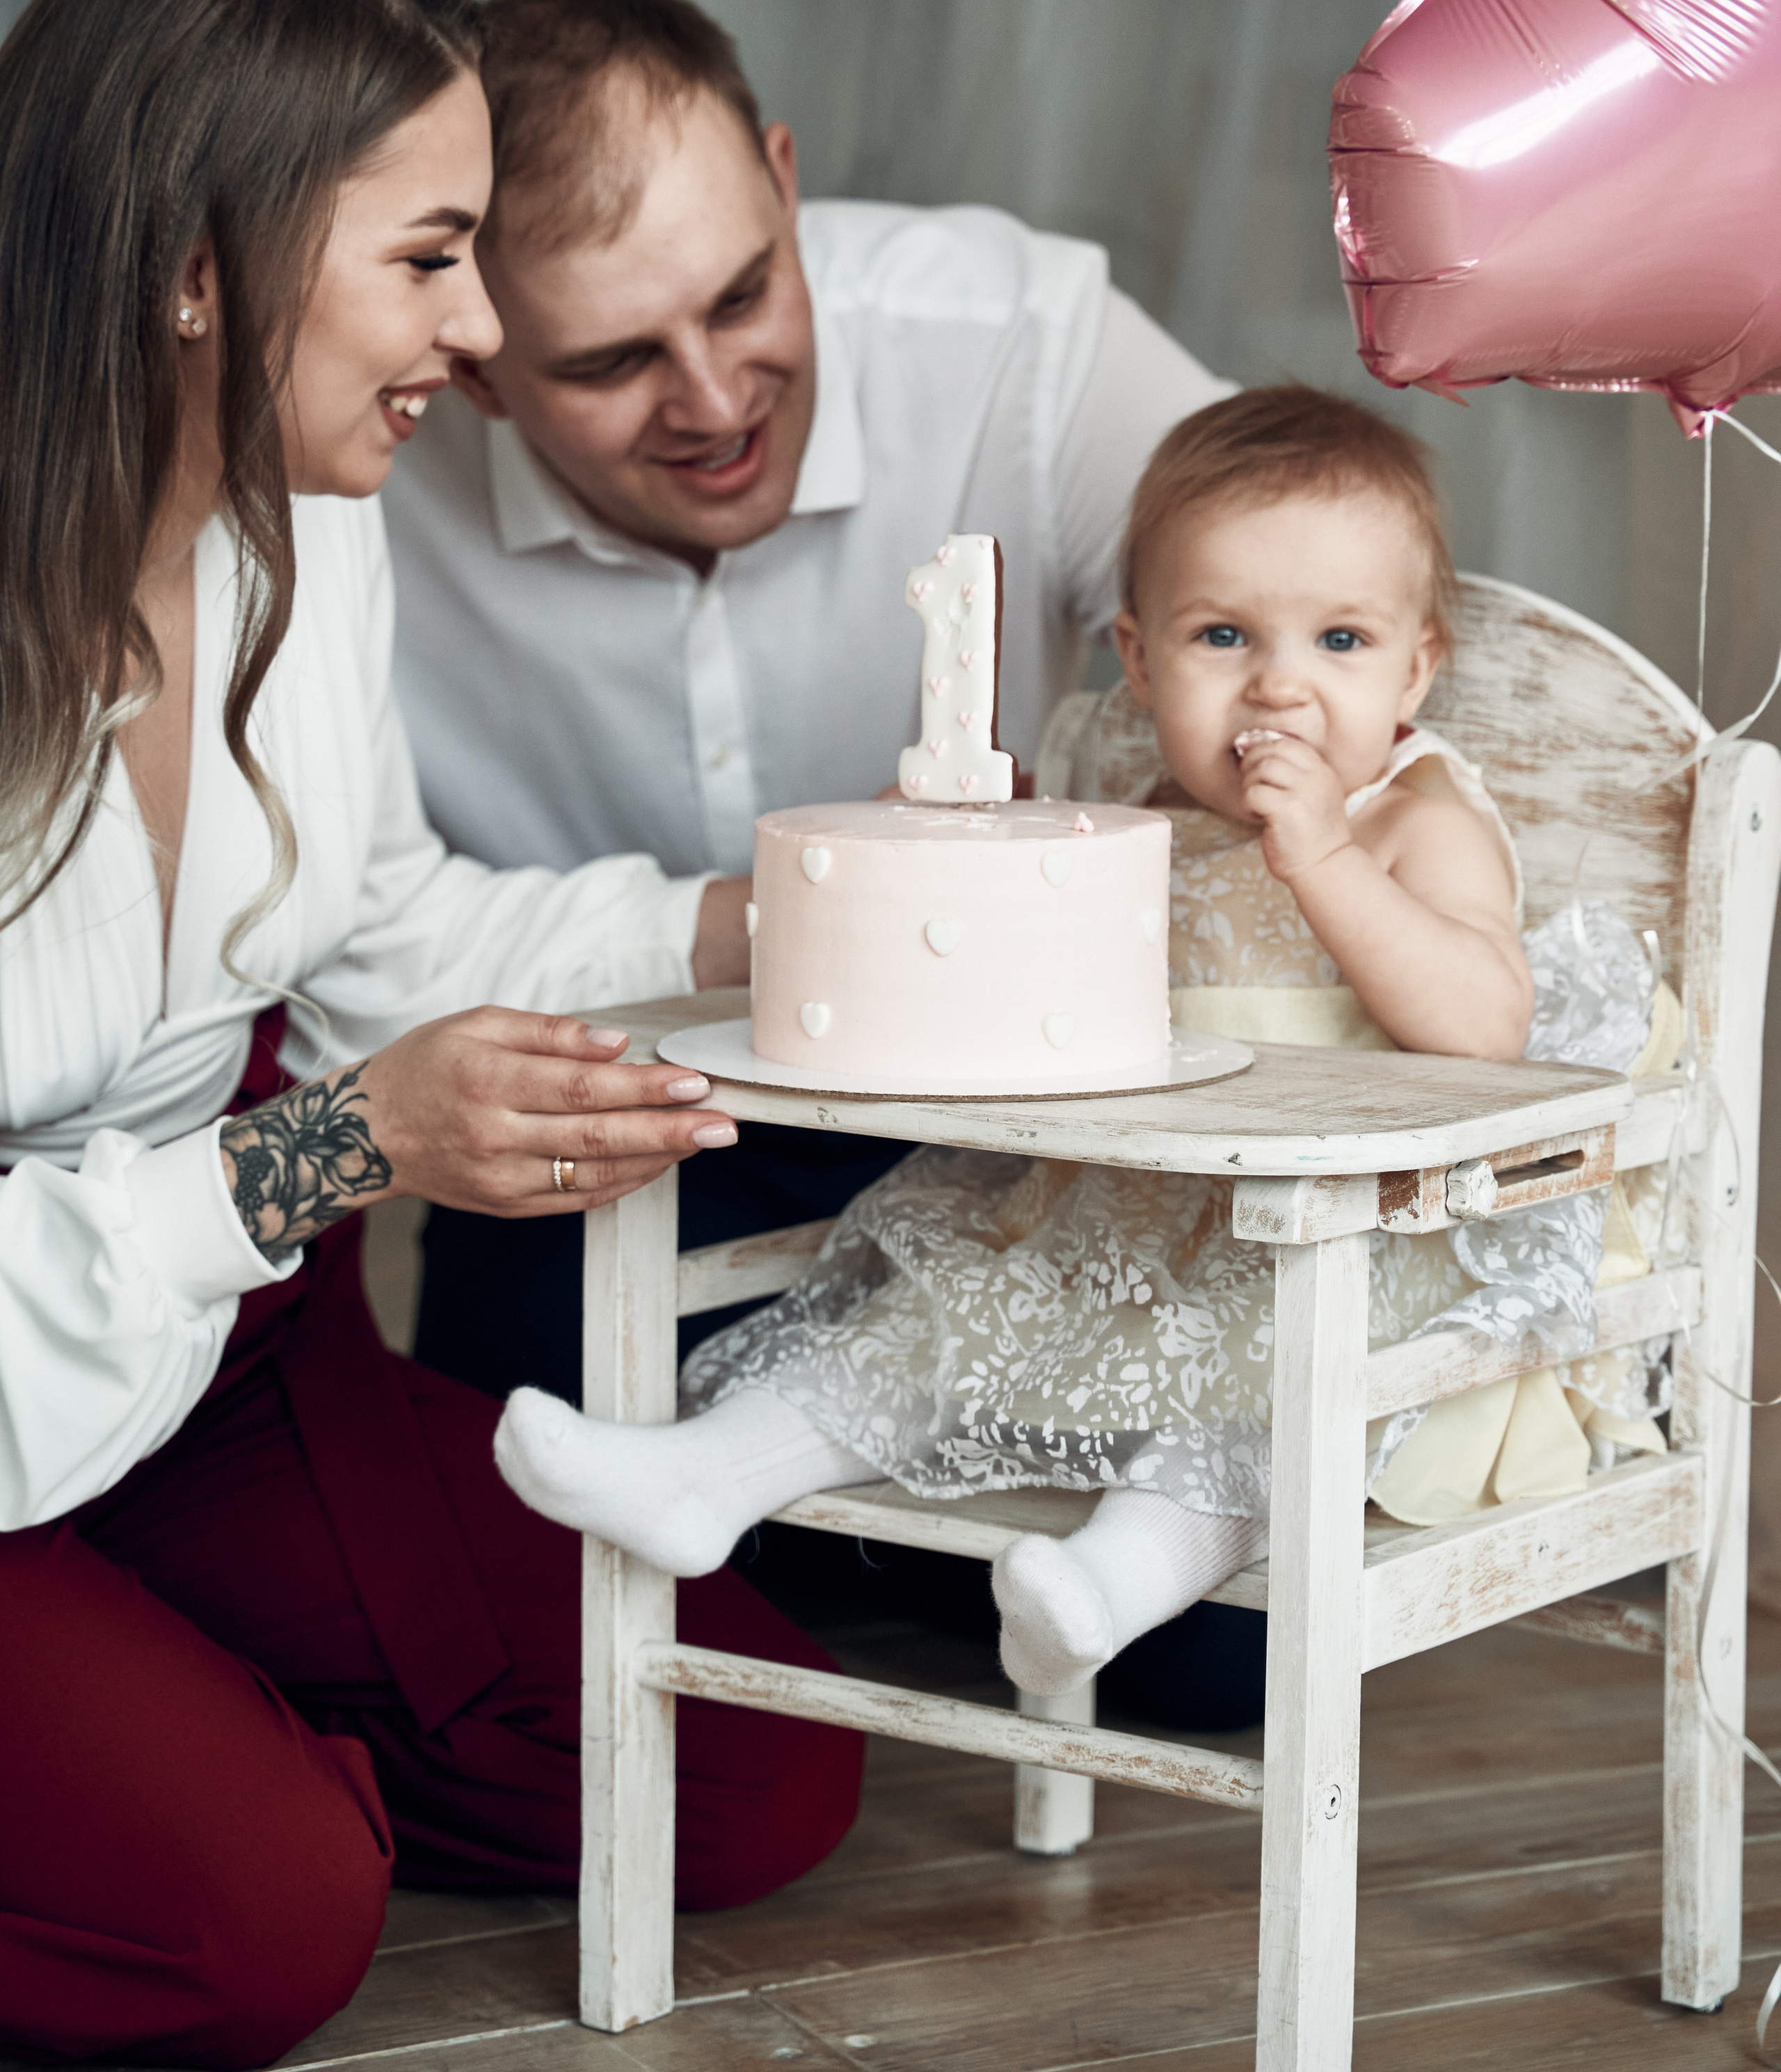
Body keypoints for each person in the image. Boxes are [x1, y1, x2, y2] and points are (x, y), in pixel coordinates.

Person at [0, 0, 862, 2072]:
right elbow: (339, 1111)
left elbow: (387, 935)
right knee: (262, 1926)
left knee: (751, 1766)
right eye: (427, 256)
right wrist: (334, 1150)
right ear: (197, 270)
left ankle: (171, 1695)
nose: (480, 332)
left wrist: (768, 914)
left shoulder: (320, 532)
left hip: (211, 1352)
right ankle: (202, 1758)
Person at [495, 386, 1674, 1698]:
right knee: (928, 1318)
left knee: (1248, 1407)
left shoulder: (1412, 821)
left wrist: (1330, 860)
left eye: (1340, 640)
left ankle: (1108, 1584)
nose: (1280, 685)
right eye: (1224, 636)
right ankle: (704, 1473)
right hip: (1136, 1204)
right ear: (1141, 659)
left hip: (1345, 1239)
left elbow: (1484, 1025)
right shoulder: (1132, 826)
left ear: (1416, 669)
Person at [381, 0, 1231, 1407]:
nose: (714, 404)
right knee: (516, 1505)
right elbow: (352, 942)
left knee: (1199, 1634)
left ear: (782, 183)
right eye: (610, 361)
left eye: (743, 293)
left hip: (1028, 1138)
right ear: (474, 365)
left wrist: (1095, 838)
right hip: (599, 1152)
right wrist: (796, 918)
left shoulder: (1020, 342)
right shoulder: (357, 470)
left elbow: (1305, 611)